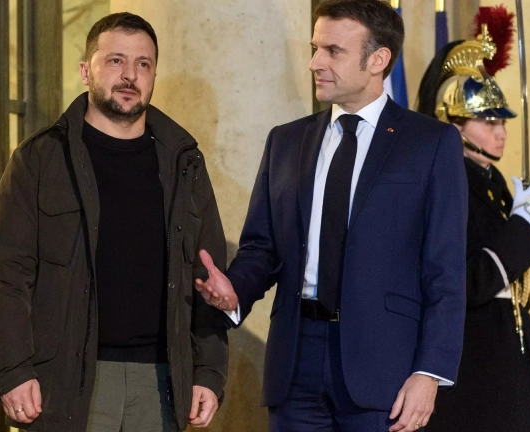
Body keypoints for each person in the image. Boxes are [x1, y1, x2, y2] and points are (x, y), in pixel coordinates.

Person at [194, 1, 467, 431]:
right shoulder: (286, 141)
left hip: (385, 371)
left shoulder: (431, 143)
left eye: (333, 51)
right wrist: (235, 291)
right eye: (315, 48)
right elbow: (262, 248)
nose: (314, 63)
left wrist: (429, 372)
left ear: (378, 60)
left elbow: (445, 270)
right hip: (294, 365)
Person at [0, 12, 228, 432]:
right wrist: (11, 368)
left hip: (162, 385)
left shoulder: (184, 164)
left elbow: (208, 278)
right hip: (67, 381)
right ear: (85, 71)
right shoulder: (40, 159)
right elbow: (5, 275)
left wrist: (209, 371)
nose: (130, 75)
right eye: (115, 61)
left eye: (143, 64)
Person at [415, 7, 530, 431]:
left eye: (502, 121)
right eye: (487, 120)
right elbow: (469, 282)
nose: (501, 132)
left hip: (507, 361)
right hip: (475, 370)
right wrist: (522, 226)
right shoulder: (448, 182)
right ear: (453, 125)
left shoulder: (492, 182)